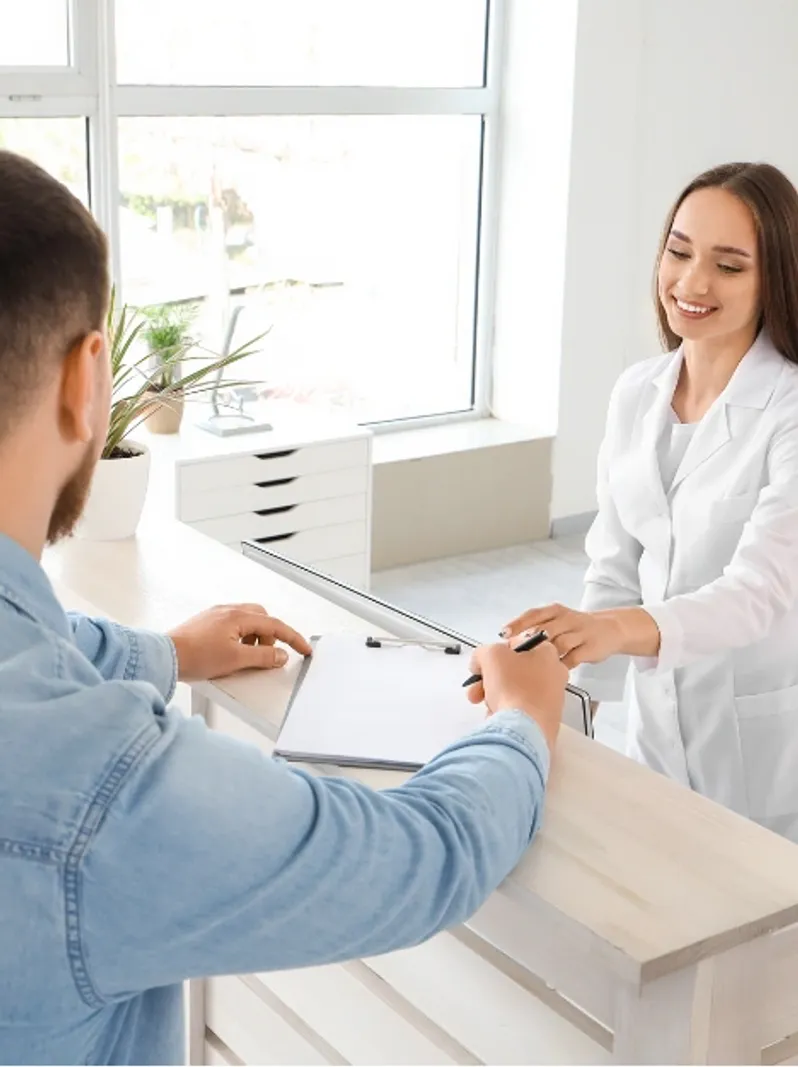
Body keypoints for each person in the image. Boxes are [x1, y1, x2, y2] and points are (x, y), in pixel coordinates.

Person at [0, 150, 567, 1065]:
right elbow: (417, 858)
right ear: (86, 377)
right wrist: (522, 722)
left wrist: (168, 653)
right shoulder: (92, 788)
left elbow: (33, 640)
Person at [504, 161, 798, 841]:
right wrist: (558, 693)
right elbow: (613, 568)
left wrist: (615, 629)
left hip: (763, 748)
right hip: (658, 731)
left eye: (729, 265)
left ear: (774, 278)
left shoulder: (787, 412)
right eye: (679, 250)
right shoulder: (637, 392)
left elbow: (755, 593)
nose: (692, 282)